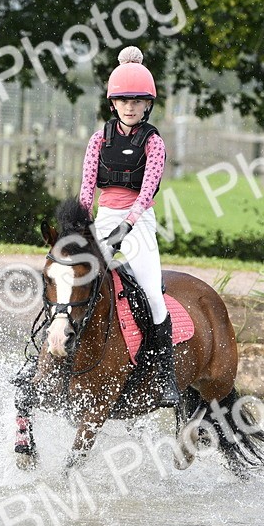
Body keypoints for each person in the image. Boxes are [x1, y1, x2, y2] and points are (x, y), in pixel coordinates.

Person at [78, 46, 181, 408]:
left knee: (153, 293)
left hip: (138, 222)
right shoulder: (98, 139)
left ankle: (164, 373)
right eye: (124, 100)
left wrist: (128, 226)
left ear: (147, 105)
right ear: (113, 103)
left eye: (138, 101)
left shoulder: (154, 143)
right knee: (75, 282)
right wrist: (81, 227)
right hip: (104, 217)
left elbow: (148, 190)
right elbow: (87, 190)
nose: (131, 107)